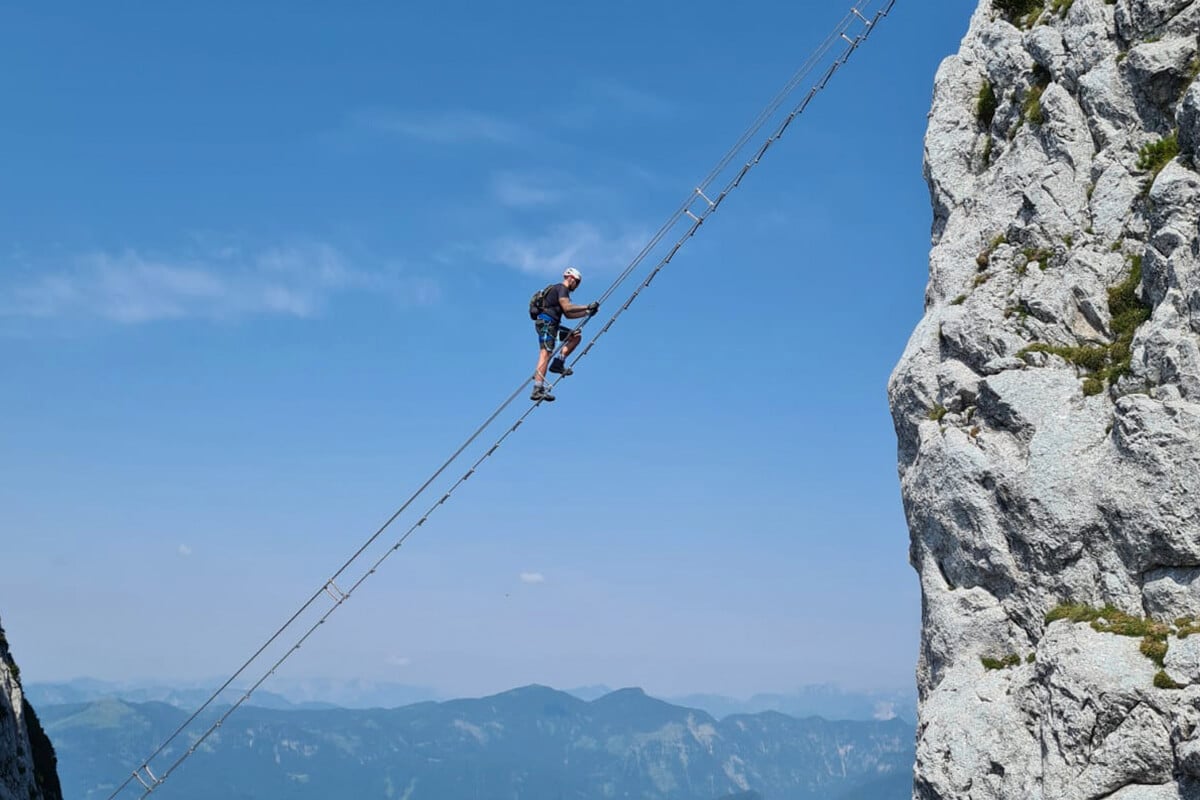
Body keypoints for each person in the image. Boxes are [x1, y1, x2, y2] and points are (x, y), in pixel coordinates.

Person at [530, 266, 599, 402]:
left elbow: (567, 314)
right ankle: (537, 389)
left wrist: (587, 313)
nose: (577, 286)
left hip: (553, 325)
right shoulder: (561, 288)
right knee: (545, 353)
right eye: (577, 282)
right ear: (571, 278)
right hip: (547, 324)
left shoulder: (561, 291)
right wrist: (587, 306)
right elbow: (568, 307)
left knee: (575, 336)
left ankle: (558, 364)